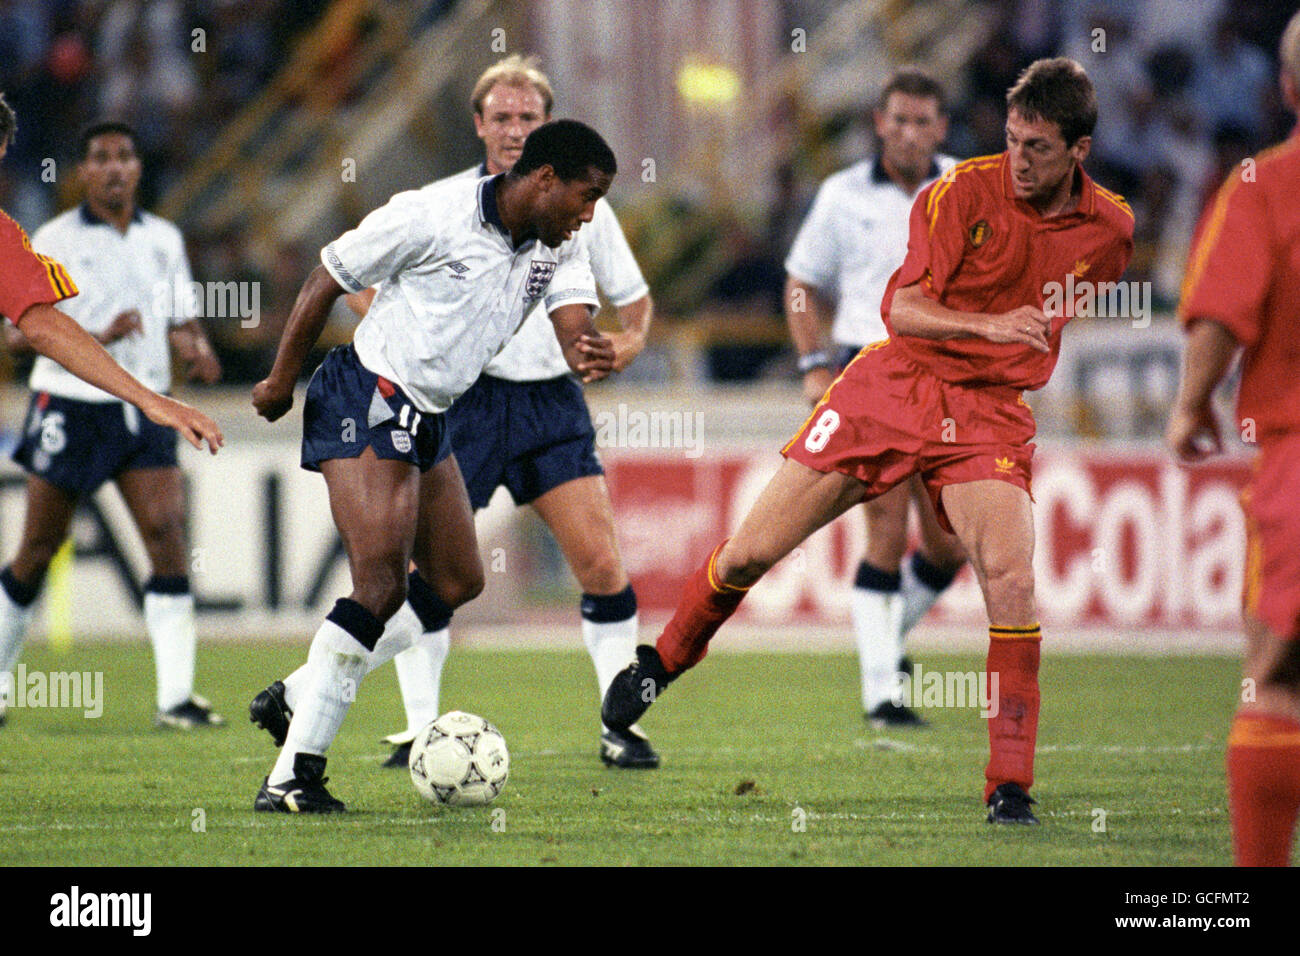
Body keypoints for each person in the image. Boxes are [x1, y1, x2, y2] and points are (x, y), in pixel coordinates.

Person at [602, 58, 1134, 825]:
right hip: (894, 385)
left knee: (1011, 584)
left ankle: (1009, 784)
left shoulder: (1112, 230)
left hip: (985, 411)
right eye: (1013, 140)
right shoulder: (956, 194)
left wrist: (1011, 352)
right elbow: (904, 312)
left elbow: (1067, 298)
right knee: (751, 552)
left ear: (1079, 152)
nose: (1019, 160)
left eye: (1038, 148)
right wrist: (992, 326)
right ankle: (663, 661)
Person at [253, 55, 659, 770]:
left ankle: (299, 691)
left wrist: (593, 350)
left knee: (456, 581)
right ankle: (295, 774)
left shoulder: (559, 238)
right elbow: (330, 276)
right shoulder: (431, 212)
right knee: (380, 585)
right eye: (586, 197)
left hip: (454, 410)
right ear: (542, 175)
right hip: (371, 397)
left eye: (526, 115)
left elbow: (573, 323)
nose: (591, 214)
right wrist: (281, 381)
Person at [0, 101, 223, 728]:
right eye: (100, 158)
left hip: (142, 407)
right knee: (40, 546)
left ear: (139, 167)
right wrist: (99, 330)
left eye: (124, 156)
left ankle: (176, 698)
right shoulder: (51, 239)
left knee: (165, 535)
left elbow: (181, 322)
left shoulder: (165, 239)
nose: (114, 168)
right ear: (82, 173)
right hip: (69, 405)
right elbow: (22, 335)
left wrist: (196, 350)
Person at [785, 67, 965, 728]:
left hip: (946, 372)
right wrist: (812, 366)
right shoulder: (841, 195)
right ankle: (881, 695)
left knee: (951, 544)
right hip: (870, 365)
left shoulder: (965, 189)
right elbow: (801, 282)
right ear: (879, 124)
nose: (910, 132)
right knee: (885, 529)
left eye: (923, 121)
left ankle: (886, 645)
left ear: (941, 128)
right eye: (899, 119)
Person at [1167, 11, 1300, 867]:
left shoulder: (1266, 185)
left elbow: (1221, 306)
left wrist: (1191, 406)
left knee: (1278, 674)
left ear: (1286, 89)